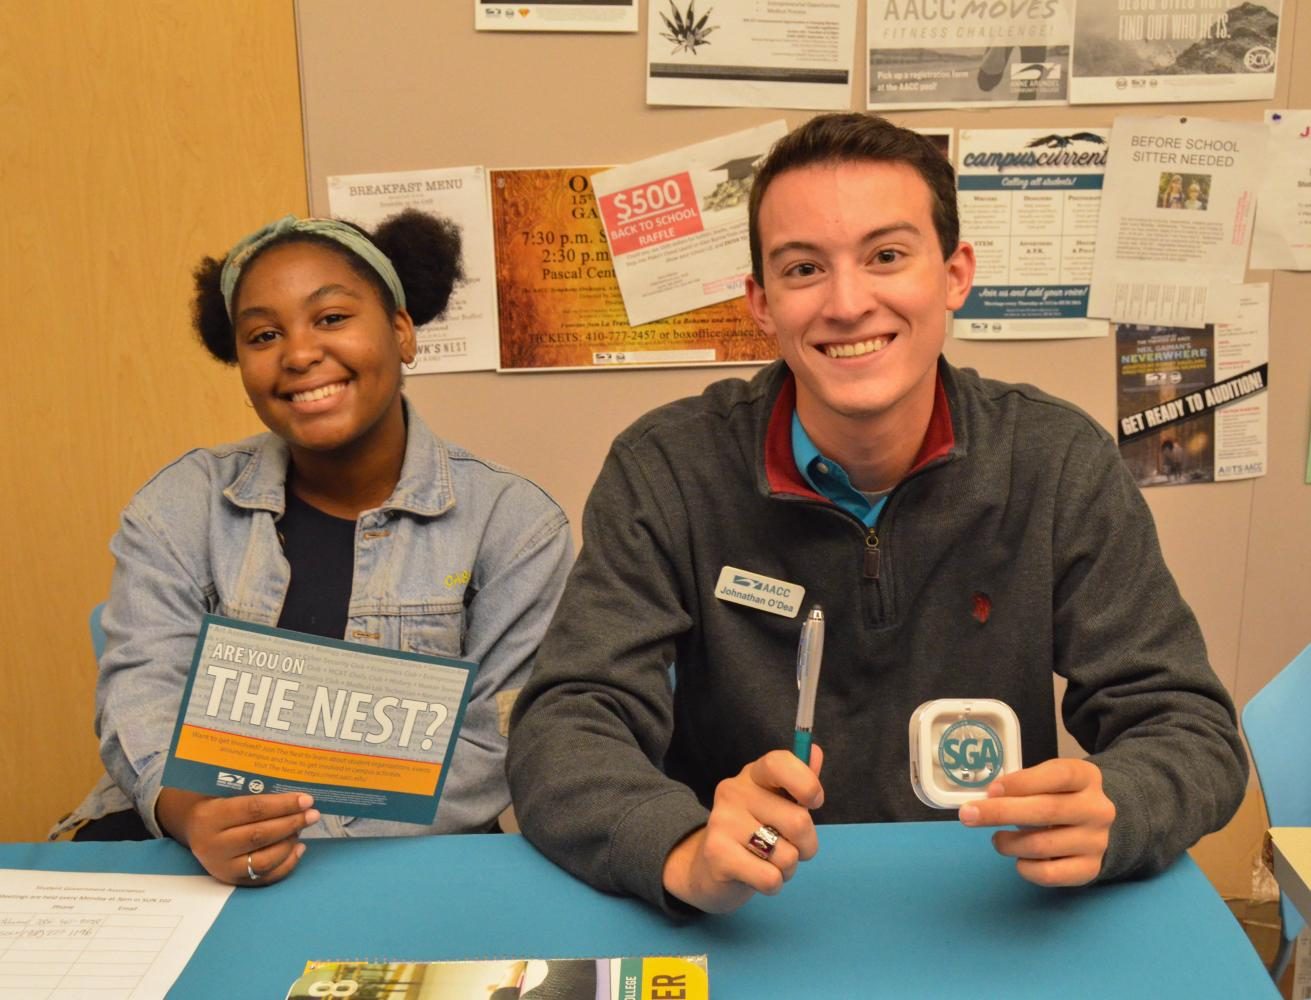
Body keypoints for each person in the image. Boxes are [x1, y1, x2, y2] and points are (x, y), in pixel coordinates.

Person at [507, 113, 1247, 916]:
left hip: (991, 902)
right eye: (802, 269)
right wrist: (677, 846)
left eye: (886, 256)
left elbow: (1186, 725)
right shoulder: (667, 469)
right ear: (761, 303)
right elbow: (565, 727)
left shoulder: (1054, 461)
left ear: (954, 274)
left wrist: (1123, 805)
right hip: (746, 908)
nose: (846, 303)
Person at [55, 211, 573, 886]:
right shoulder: (180, 504)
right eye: (264, 335)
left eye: (330, 318)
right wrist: (190, 813)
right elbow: (141, 689)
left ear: (401, 331)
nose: (298, 353)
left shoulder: (513, 524)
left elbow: (493, 741)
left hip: (405, 856)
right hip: (189, 842)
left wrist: (297, 832)